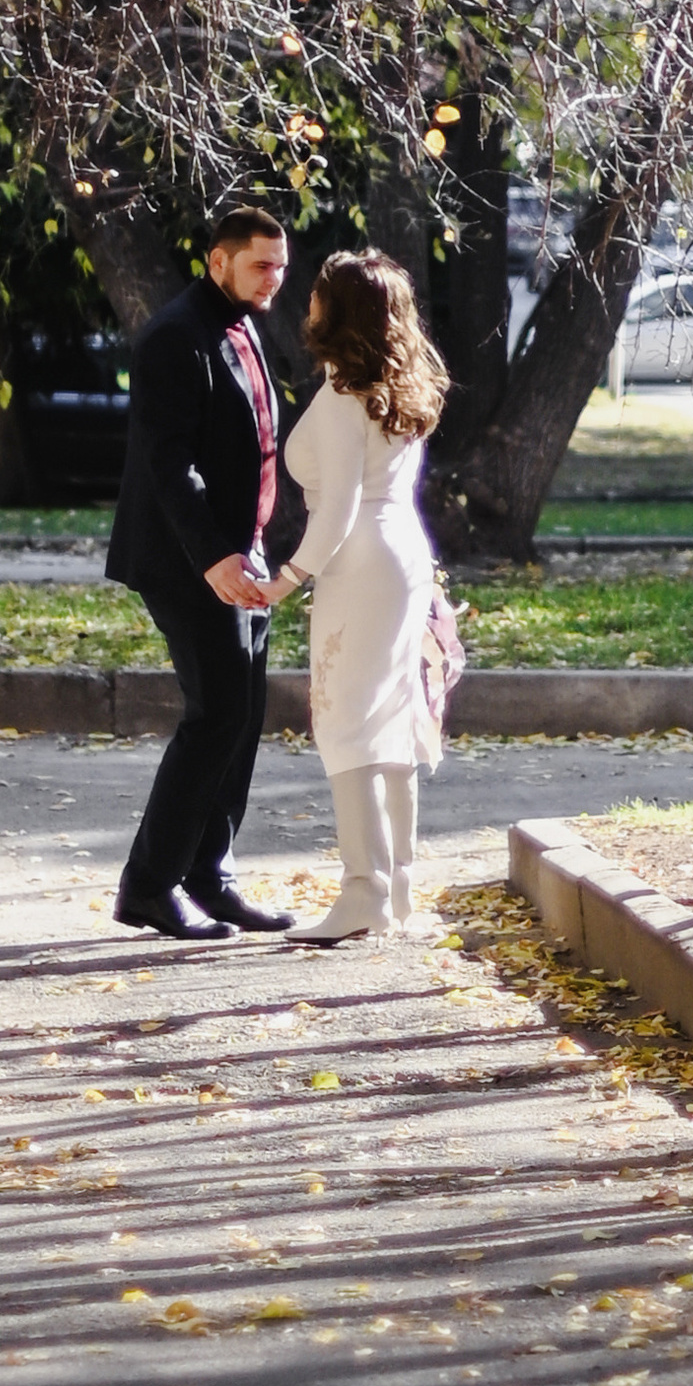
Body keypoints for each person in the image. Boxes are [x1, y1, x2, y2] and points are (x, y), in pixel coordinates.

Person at [107, 204, 303, 942]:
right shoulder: (172, 336)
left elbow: (247, 442)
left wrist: (255, 543)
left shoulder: (243, 323)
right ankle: (149, 884)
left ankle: (210, 874)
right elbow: (169, 462)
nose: (274, 278)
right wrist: (215, 555)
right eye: (260, 264)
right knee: (216, 710)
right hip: (187, 558)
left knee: (245, 713)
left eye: (280, 265)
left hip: (239, 551)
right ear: (217, 260)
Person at [271, 248, 447, 945]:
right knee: (392, 722)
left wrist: (289, 576)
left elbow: (339, 506)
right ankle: (396, 887)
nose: (306, 302)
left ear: (337, 310)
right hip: (403, 550)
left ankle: (363, 890)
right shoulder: (401, 386)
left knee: (344, 722)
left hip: (361, 558)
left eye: (317, 293)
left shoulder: (345, 395)